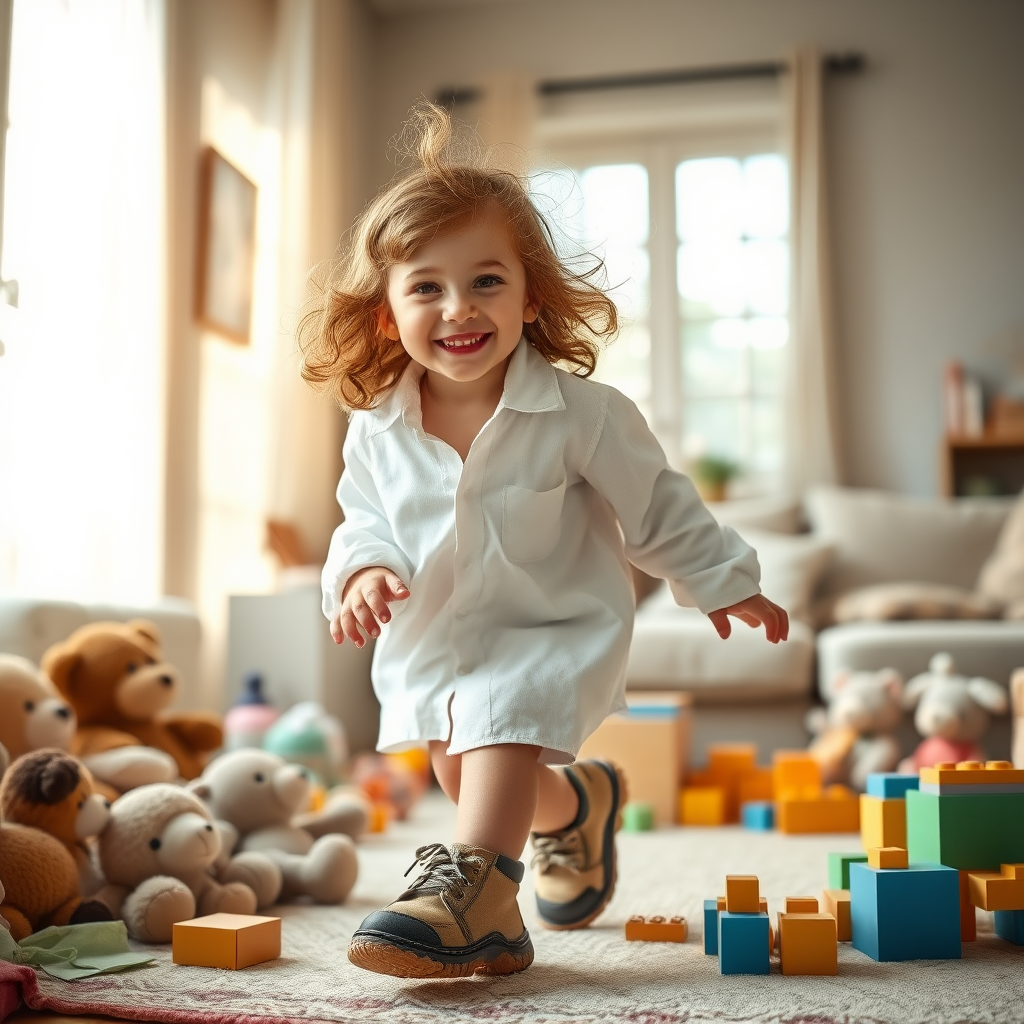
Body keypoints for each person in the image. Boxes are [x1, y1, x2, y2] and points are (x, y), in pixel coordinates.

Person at [299, 104, 789, 980]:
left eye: (487, 281)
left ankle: (474, 901)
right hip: (438, 637)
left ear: (531, 296)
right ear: (384, 315)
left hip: (546, 626)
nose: (459, 307)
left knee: (496, 743)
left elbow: (658, 503)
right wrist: (362, 570)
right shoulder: (375, 428)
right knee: (469, 772)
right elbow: (362, 520)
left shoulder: (583, 414)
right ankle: (576, 811)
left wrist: (722, 578)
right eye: (425, 287)